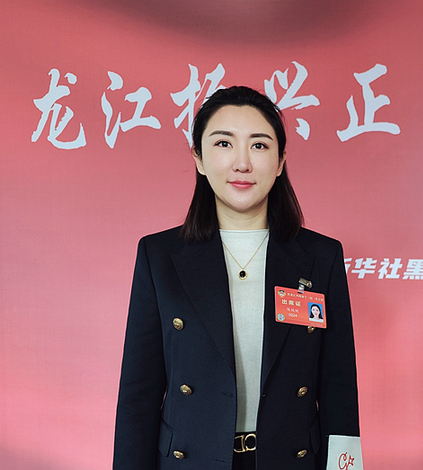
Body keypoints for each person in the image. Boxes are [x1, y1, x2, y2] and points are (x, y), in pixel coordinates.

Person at [113, 86, 360, 470]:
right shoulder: (159, 256)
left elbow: (339, 390)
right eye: (224, 143)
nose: (242, 163)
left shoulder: (320, 257)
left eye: (259, 145)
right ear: (198, 158)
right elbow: (138, 395)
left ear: (280, 161)